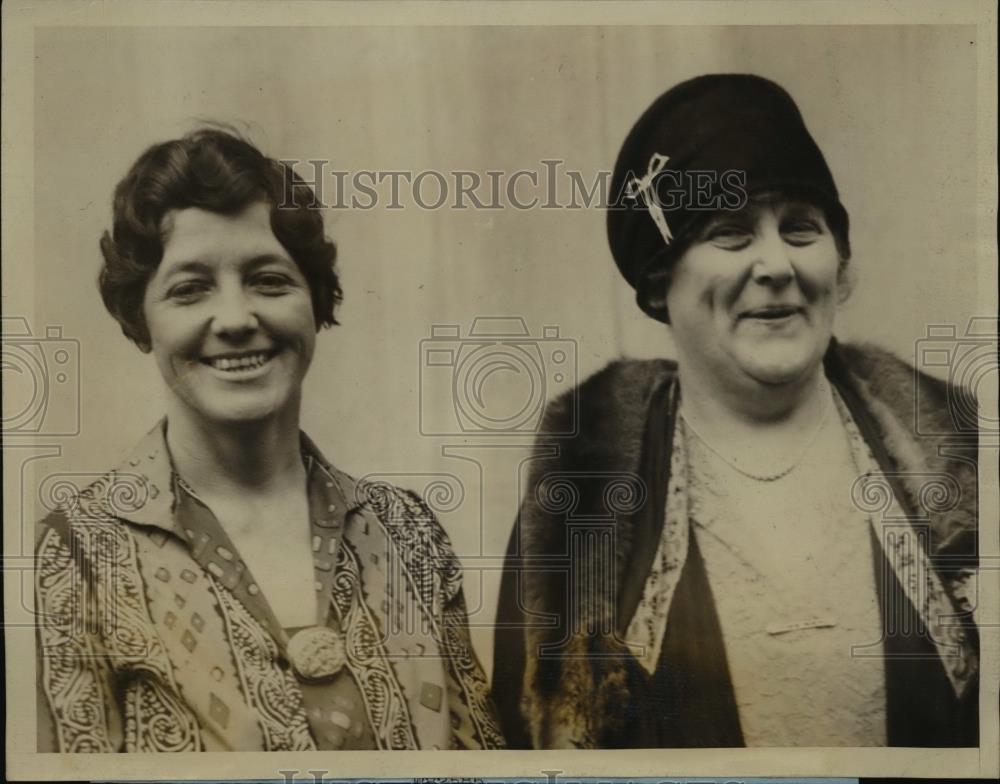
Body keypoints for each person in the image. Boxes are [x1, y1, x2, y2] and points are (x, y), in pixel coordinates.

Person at [492, 74, 979, 749]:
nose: (776, 264)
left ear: (837, 262)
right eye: (731, 233)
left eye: (801, 230)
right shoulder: (579, 501)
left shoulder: (960, 455)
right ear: (662, 281)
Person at [35, 128, 505, 752]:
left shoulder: (408, 531)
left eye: (268, 280)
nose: (235, 319)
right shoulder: (82, 554)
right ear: (140, 318)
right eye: (189, 289)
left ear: (315, 300)